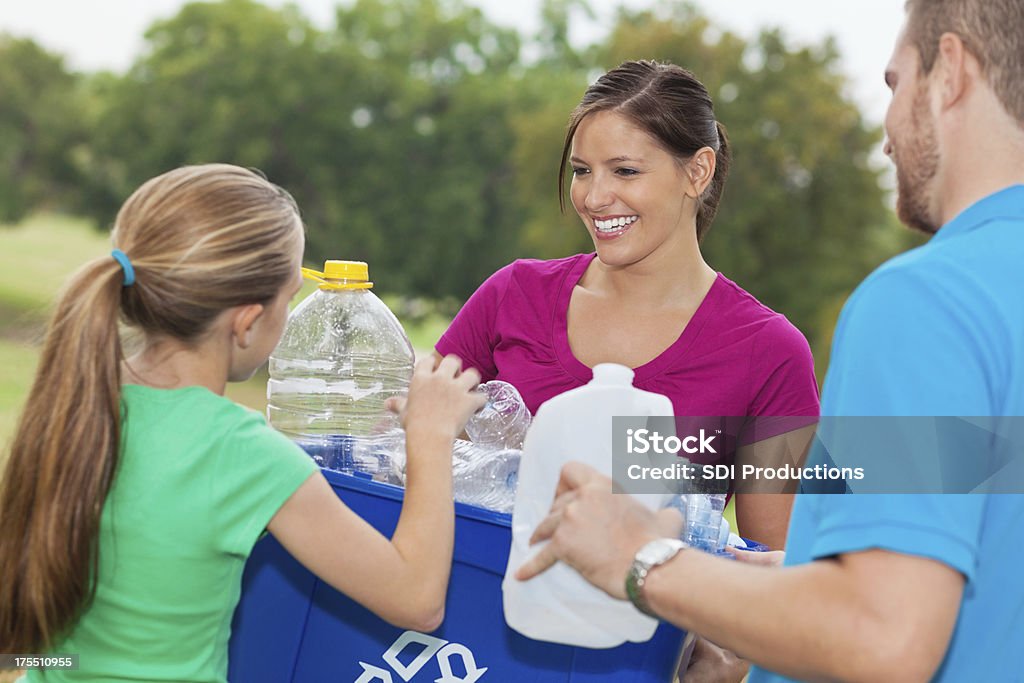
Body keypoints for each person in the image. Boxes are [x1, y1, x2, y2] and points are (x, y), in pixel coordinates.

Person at [516, 0, 1024, 681]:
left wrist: (642, 558)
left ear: (951, 71)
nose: (886, 133)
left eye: (894, 83)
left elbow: (884, 635)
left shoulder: (923, 300)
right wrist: (787, 573)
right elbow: (983, 506)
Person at [0, 164, 485, 682]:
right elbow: (415, 599)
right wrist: (430, 436)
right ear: (248, 321)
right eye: (290, 294)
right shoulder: (243, 454)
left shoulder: (75, 403)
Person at [436, 60, 820, 552]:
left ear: (697, 172)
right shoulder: (513, 295)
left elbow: (776, 576)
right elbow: (401, 453)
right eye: (581, 171)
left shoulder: (770, 351)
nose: (595, 197)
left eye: (625, 170)